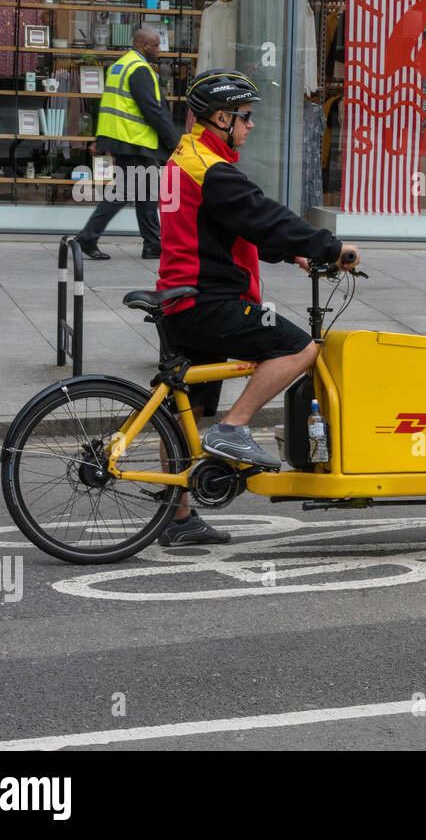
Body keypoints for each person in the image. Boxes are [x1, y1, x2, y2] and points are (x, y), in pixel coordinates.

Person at [154, 70, 361, 544]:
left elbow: (227, 228)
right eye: (246, 117)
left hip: (179, 298)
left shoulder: (185, 159)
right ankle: (235, 429)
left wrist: (292, 253)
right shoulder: (212, 168)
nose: (251, 126)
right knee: (298, 347)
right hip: (208, 302)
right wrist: (329, 247)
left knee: (183, 412)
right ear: (222, 118)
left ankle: (177, 518)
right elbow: (263, 216)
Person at [75, 27, 180, 260]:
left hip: (125, 139)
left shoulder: (120, 65)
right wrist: (173, 142)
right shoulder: (139, 69)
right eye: (156, 45)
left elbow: (108, 106)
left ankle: (152, 243)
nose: (159, 50)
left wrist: (102, 139)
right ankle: (87, 237)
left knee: (146, 192)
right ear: (144, 46)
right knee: (124, 192)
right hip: (135, 141)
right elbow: (153, 110)